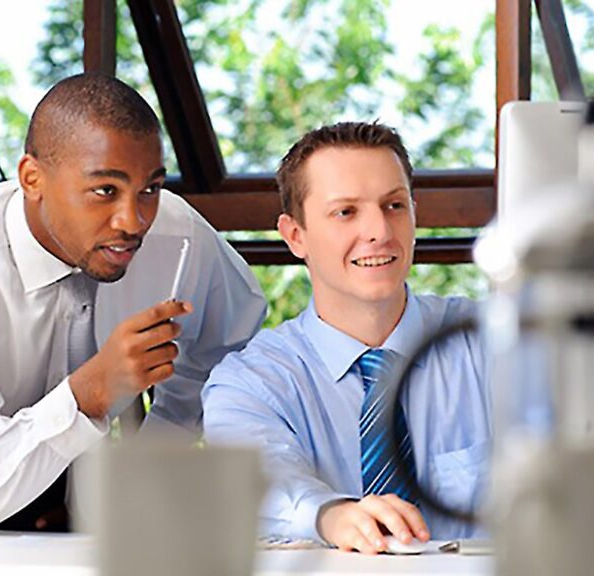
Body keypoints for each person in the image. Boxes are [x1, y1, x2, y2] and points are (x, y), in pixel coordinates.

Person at [0, 73, 266, 533]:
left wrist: (155, 453)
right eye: (106, 191)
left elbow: (231, 342)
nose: (134, 221)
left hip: (70, 469)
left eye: (150, 188)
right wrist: (95, 388)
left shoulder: (179, 235)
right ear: (32, 178)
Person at [203, 122, 490, 554]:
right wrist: (331, 515)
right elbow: (260, 478)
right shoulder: (250, 383)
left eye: (394, 205)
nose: (380, 231)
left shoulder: (492, 342)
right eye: (346, 212)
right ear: (295, 235)